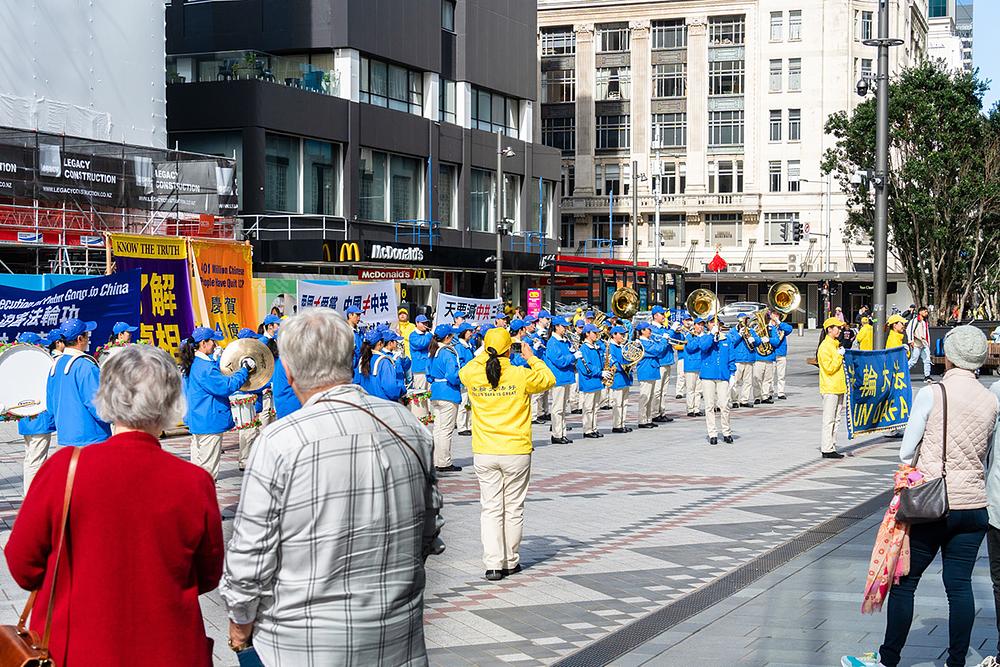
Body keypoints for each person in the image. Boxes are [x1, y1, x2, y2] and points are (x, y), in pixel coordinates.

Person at [221, 308, 443, 664]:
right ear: (348, 360)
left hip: (304, 645)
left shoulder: (280, 441)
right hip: (398, 639)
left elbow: (251, 553)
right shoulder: (408, 425)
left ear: (289, 373)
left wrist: (239, 623)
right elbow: (430, 532)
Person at [5, 344, 224, 667]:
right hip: (169, 649)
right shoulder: (193, 482)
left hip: (74, 649)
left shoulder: (65, 468)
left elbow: (22, 564)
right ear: (172, 402)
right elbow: (208, 575)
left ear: (105, 398)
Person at [844, 326, 997, 667]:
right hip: (973, 505)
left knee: (905, 583)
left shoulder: (933, 393)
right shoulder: (991, 400)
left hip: (931, 503)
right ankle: (956, 661)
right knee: (959, 586)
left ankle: (888, 659)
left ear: (950, 356)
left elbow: (906, 451)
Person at [459, 327, 555, 581]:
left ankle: (492, 564)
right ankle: (510, 560)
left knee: (490, 509)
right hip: (515, 449)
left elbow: (465, 370)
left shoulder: (473, 374)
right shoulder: (519, 374)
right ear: (507, 350)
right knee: (513, 508)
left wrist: (486, 351)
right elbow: (548, 379)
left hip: (485, 450)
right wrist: (531, 356)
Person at [180, 326, 252, 479]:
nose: (216, 344)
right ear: (204, 343)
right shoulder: (205, 367)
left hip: (198, 421)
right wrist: (244, 370)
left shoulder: (194, 364)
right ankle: (204, 501)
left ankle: (195, 500)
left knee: (198, 469)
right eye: (213, 341)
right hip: (209, 422)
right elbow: (226, 386)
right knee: (208, 472)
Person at [46, 318, 111, 447]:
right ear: (80, 339)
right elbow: (98, 405)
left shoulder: (56, 365)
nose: (88, 338)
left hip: (65, 438)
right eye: (87, 335)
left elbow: (51, 405)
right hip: (92, 438)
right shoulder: (85, 365)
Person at [16, 332, 56, 494]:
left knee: (30, 458)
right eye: (39, 344)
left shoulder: (18, 368)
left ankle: (31, 494)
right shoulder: (37, 368)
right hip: (39, 420)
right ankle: (32, 495)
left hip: (26, 420)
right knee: (36, 461)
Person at [689, 320, 736, 444]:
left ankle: (726, 431)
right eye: (711, 323)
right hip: (708, 375)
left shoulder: (727, 338)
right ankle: (712, 433)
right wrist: (711, 335)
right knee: (709, 405)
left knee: (724, 404)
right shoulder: (704, 337)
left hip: (722, 375)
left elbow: (731, 356)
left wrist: (732, 373)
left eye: (717, 323)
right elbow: (703, 347)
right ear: (708, 326)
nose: (715, 325)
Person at [235, 327, 274, 472]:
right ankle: (244, 461)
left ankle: (250, 459)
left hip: (254, 398)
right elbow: (245, 384)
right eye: (253, 339)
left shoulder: (251, 357)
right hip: (244, 399)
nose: (256, 341)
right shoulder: (239, 358)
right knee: (247, 431)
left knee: (253, 431)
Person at [428, 324, 462, 473]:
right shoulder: (447, 352)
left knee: (438, 429)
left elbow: (428, 374)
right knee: (446, 430)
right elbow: (452, 375)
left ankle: (437, 460)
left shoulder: (433, 351)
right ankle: (444, 462)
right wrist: (461, 379)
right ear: (447, 337)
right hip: (448, 392)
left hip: (436, 392)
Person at [817, 317, 847, 460]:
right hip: (830, 387)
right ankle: (826, 447)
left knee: (836, 419)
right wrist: (839, 357)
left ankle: (832, 445)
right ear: (829, 329)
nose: (840, 330)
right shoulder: (825, 347)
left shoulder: (835, 345)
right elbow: (829, 368)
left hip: (838, 386)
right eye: (838, 328)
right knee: (829, 419)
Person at [543, 316, 576, 444]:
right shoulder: (552, 342)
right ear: (556, 327)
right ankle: (556, 434)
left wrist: (574, 354)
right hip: (559, 377)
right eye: (563, 326)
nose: (565, 329)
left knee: (563, 408)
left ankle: (562, 433)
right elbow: (560, 361)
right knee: (557, 408)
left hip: (566, 376)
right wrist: (573, 356)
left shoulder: (564, 341)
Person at [355, 328, 405, 402]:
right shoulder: (384, 361)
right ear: (380, 343)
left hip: (367, 404)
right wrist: (402, 389)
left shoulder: (362, 360)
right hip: (384, 405)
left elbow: (356, 382)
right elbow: (391, 389)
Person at [577, 323, 606, 438]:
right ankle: (587, 429)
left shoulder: (595, 347)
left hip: (597, 381)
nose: (597, 335)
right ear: (587, 334)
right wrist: (600, 372)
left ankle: (594, 428)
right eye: (594, 333)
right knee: (588, 407)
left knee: (595, 407)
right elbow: (586, 367)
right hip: (589, 381)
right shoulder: (584, 348)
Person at [635, 322, 665, 429]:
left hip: (652, 370)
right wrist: (664, 339)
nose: (650, 331)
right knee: (645, 397)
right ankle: (642, 420)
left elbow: (659, 352)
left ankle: (648, 419)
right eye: (648, 329)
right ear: (642, 331)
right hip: (646, 371)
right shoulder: (642, 342)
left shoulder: (648, 341)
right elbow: (658, 350)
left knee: (650, 397)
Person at [649, 305, 677, 423]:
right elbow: (661, 343)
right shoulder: (653, 329)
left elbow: (674, 339)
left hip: (667, 361)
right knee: (657, 390)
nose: (665, 316)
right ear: (655, 316)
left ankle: (662, 411)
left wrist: (677, 332)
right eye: (662, 314)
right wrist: (672, 330)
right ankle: (655, 413)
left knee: (664, 391)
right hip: (660, 362)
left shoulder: (663, 328)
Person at [606, 325, 633, 433]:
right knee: (618, 403)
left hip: (625, 378)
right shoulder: (611, 347)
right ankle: (617, 425)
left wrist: (631, 364)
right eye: (621, 334)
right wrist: (625, 367)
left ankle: (622, 423)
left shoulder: (622, 346)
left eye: (623, 334)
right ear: (614, 335)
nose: (623, 336)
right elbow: (614, 363)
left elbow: (627, 359)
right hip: (617, 378)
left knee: (624, 403)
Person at [751, 315, 782, 404]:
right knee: (757, 378)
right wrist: (760, 339)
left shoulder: (772, 329)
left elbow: (777, 341)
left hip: (769, 357)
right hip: (758, 357)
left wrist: (768, 339)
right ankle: (757, 397)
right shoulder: (756, 329)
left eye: (767, 319)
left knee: (768, 379)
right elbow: (753, 340)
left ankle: (765, 396)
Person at [408, 314, 433, 420]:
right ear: (417, 323)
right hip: (419, 368)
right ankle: (422, 415)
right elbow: (421, 344)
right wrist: (429, 334)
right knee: (421, 392)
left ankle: (431, 414)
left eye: (426, 323)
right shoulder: (413, 335)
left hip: (430, 367)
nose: (425, 325)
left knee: (431, 392)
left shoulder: (428, 335)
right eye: (423, 323)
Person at [454, 322, 476, 436]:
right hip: (464, 377)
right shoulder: (459, 346)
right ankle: (462, 426)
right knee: (463, 402)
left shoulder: (469, 345)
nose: (471, 334)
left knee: (469, 402)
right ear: (463, 332)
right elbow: (460, 362)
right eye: (469, 331)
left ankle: (469, 425)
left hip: (471, 376)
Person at [681, 318, 706, 417]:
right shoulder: (689, 335)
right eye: (699, 325)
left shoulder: (703, 336)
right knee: (690, 389)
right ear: (694, 325)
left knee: (699, 390)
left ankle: (697, 408)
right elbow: (690, 347)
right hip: (691, 365)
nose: (700, 327)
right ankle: (690, 409)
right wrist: (699, 339)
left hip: (701, 365)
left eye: (702, 325)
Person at [730, 314, 756, 408]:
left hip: (749, 359)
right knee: (735, 382)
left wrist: (754, 340)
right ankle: (734, 400)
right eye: (743, 320)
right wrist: (739, 335)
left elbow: (758, 341)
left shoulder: (751, 330)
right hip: (738, 359)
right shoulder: (732, 331)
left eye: (746, 320)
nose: (745, 322)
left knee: (748, 382)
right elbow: (731, 342)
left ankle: (744, 400)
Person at [770, 311, 794, 399]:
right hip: (771, 353)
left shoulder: (782, 326)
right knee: (770, 375)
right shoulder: (767, 326)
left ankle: (781, 392)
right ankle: (770, 392)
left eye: (778, 314)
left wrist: (778, 322)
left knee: (781, 375)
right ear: (771, 315)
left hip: (781, 353)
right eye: (774, 314)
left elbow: (790, 329)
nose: (776, 316)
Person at [906, 305, 933, 381]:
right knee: (913, 360)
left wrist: (927, 343)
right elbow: (909, 330)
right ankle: (903, 372)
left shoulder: (925, 322)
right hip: (917, 343)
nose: (926, 313)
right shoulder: (915, 320)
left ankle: (927, 376)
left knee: (927, 360)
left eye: (927, 311)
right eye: (925, 311)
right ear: (920, 312)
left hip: (924, 343)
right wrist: (911, 340)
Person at [675, 314, 694, 399]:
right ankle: (679, 392)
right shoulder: (679, 331)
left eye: (690, 320)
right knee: (681, 375)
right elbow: (676, 343)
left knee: (694, 375)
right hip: (682, 355)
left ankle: (696, 391)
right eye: (687, 320)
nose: (688, 322)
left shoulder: (694, 330)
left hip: (692, 355)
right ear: (683, 321)